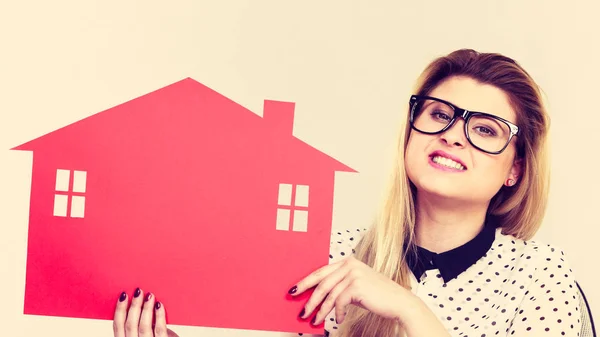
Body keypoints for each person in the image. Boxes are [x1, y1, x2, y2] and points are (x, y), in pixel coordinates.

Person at [112, 49, 583, 337]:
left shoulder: (539, 274)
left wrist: (406, 306)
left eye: (484, 128)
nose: (453, 136)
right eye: (439, 115)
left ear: (515, 169)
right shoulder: (331, 256)